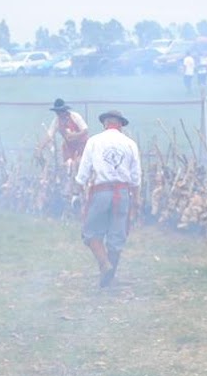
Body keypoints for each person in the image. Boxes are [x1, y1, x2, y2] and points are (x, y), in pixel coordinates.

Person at [74, 110, 141, 287]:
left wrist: (77, 190)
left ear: (105, 124)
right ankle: (109, 277)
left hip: (100, 192)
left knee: (90, 232)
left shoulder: (94, 141)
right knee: (116, 237)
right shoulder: (130, 144)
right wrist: (136, 200)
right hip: (124, 193)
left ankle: (104, 265)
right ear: (120, 125)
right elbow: (135, 177)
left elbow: (83, 173)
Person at [40, 99, 89, 168]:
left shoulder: (75, 116)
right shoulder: (56, 121)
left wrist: (74, 135)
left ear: (64, 111)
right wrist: (40, 148)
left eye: (60, 111)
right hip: (69, 146)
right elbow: (49, 135)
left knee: (81, 164)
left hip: (82, 145)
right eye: (57, 112)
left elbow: (85, 130)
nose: (59, 114)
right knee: (68, 165)